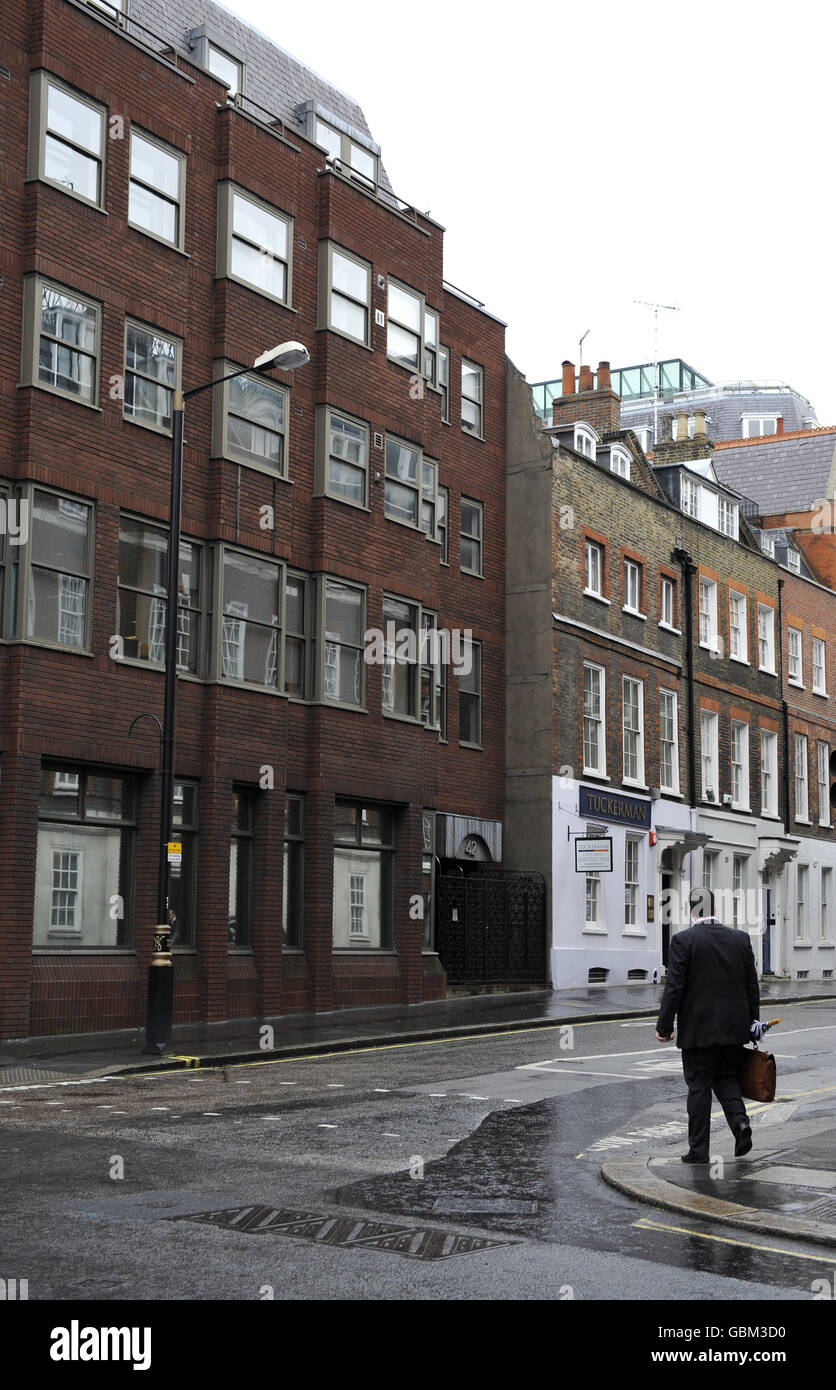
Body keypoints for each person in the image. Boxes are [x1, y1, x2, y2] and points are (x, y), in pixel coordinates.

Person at [655, 886, 761, 1163]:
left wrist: (664, 1025)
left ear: (690, 909)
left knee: (699, 1086)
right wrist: (754, 1021)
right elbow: (752, 984)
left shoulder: (683, 940)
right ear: (714, 908)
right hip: (733, 1030)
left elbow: (674, 987)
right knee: (726, 1078)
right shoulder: (739, 939)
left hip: (699, 1031)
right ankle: (740, 1124)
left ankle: (699, 1151)